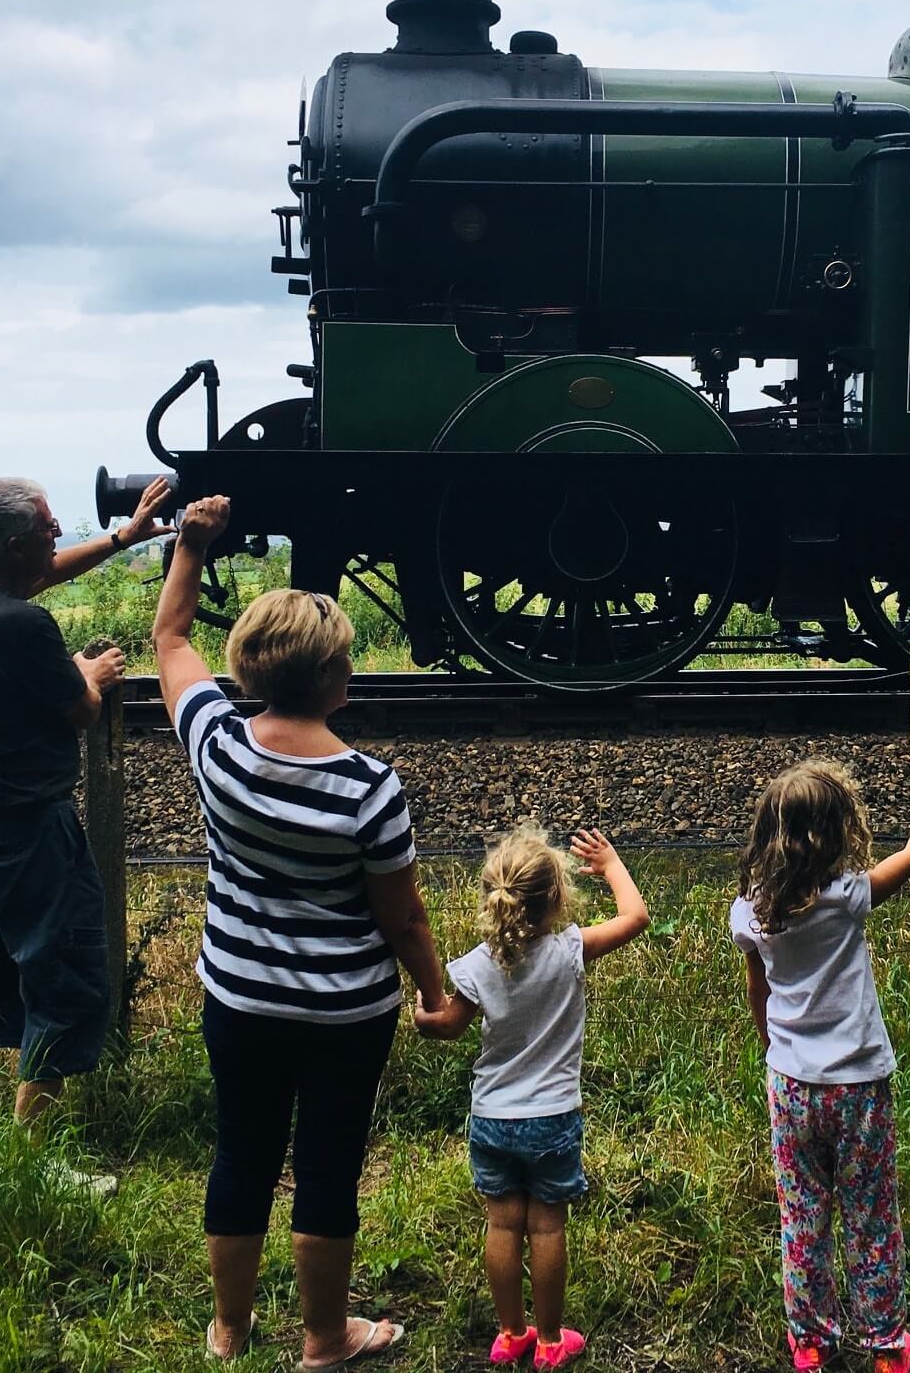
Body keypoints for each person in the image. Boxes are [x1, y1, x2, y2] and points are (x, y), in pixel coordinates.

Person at [153, 494, 445, 1368]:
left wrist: (191, 548)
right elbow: (403, 915)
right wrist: (435, 994)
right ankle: (325, 1339)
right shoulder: (368, 787)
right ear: (334, 680)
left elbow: (170, 642)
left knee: (240, 1156)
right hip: (345, 1015)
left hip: (238, 995)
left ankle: (230, 1330)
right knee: (326, 1171)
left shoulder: (218, 746)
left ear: (249, 671)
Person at [0, 473, 174, 1136]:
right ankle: (33, 1157)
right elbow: (81, 710)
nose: (58, 533)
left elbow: (37, 580)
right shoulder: (26, 627)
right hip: (32, 833)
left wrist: (123, 537)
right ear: (15, 547)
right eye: (46, 529)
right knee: (60, 977)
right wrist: (87, 672)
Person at [733, 739, 910, 1373]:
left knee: (802, 1211)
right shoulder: (846, 898)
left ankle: (811, 1339)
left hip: (791, 1085)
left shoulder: (751, 914)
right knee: (870, 1211)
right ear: (834, 836)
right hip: (859, 1087)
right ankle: (884, 1346)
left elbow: (758, 991)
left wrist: (772, 1043)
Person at [414, 824, 649, 1370]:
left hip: (493, 1116)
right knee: (546, 1227)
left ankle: (510, 1334)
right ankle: (548, 1341)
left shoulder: (478, 965)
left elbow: (448, 1024)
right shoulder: (569, 951)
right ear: (557, 899)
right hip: (551, 1117)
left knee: (502, 1225)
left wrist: (423, 1016)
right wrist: (612, 865)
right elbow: (636, 918)